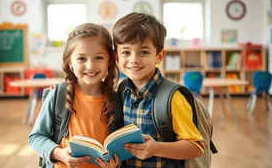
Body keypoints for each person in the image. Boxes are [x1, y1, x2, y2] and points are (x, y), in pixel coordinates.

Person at [111, 12, 204, 167]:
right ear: (117, 57)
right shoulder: (122, 90)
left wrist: (157, 149)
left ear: (159, 56)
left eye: (143, 52)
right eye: (126, 52)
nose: (134, 59)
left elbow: (196, 147)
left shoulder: (173, 98)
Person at [28, 23, 122, 168]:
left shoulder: (117, 99)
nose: (90, 66)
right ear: (69, 62)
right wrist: (59, 153)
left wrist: (116, 164)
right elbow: (36, 138)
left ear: (109, 61)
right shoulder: (57, 95)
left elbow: (119, 148)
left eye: (98, 58)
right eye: (81, 59)